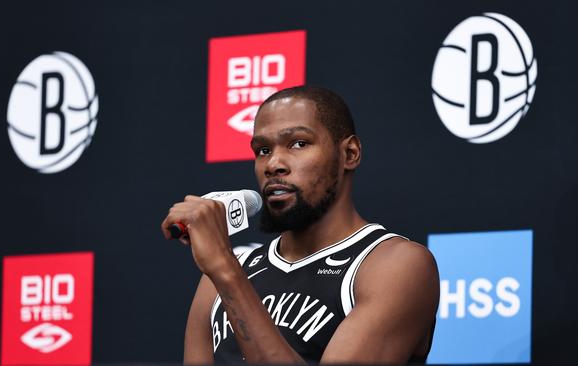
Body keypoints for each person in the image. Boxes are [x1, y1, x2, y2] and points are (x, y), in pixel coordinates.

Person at [161, 86, 439, 364]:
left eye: (298, 143)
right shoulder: (222, 276)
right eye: (263, 150)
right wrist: (224, 269)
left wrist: (224, 268)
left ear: (350, 153)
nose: (273, 164)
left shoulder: (395, 265)